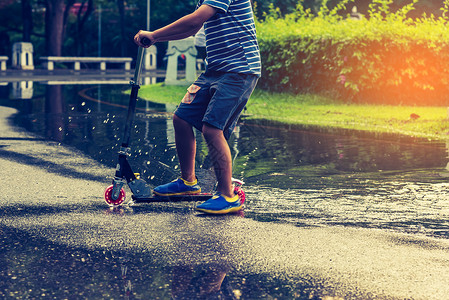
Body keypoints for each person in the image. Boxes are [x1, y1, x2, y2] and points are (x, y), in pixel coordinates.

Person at [134, 0, 261, 214]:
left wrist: (154, 34)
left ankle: (227, 195)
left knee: (211, 129)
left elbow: (195, 19)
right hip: (215, 70)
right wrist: (157, 38)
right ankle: (188, 182)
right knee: (181, 119)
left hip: (239, 71)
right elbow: (193, 28)